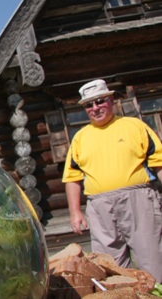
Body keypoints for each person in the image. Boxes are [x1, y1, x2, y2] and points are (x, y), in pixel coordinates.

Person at [62, 79, 162, 283]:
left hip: (139, 200)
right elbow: (72, 178)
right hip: (99, 207)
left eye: (100, 101)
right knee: (108, 265)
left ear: (111, 100)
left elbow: (159, 164)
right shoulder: (80, 138)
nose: (95, 108)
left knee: (151, 258)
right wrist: (75, 212)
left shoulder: (135, 127)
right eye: (89, 104)